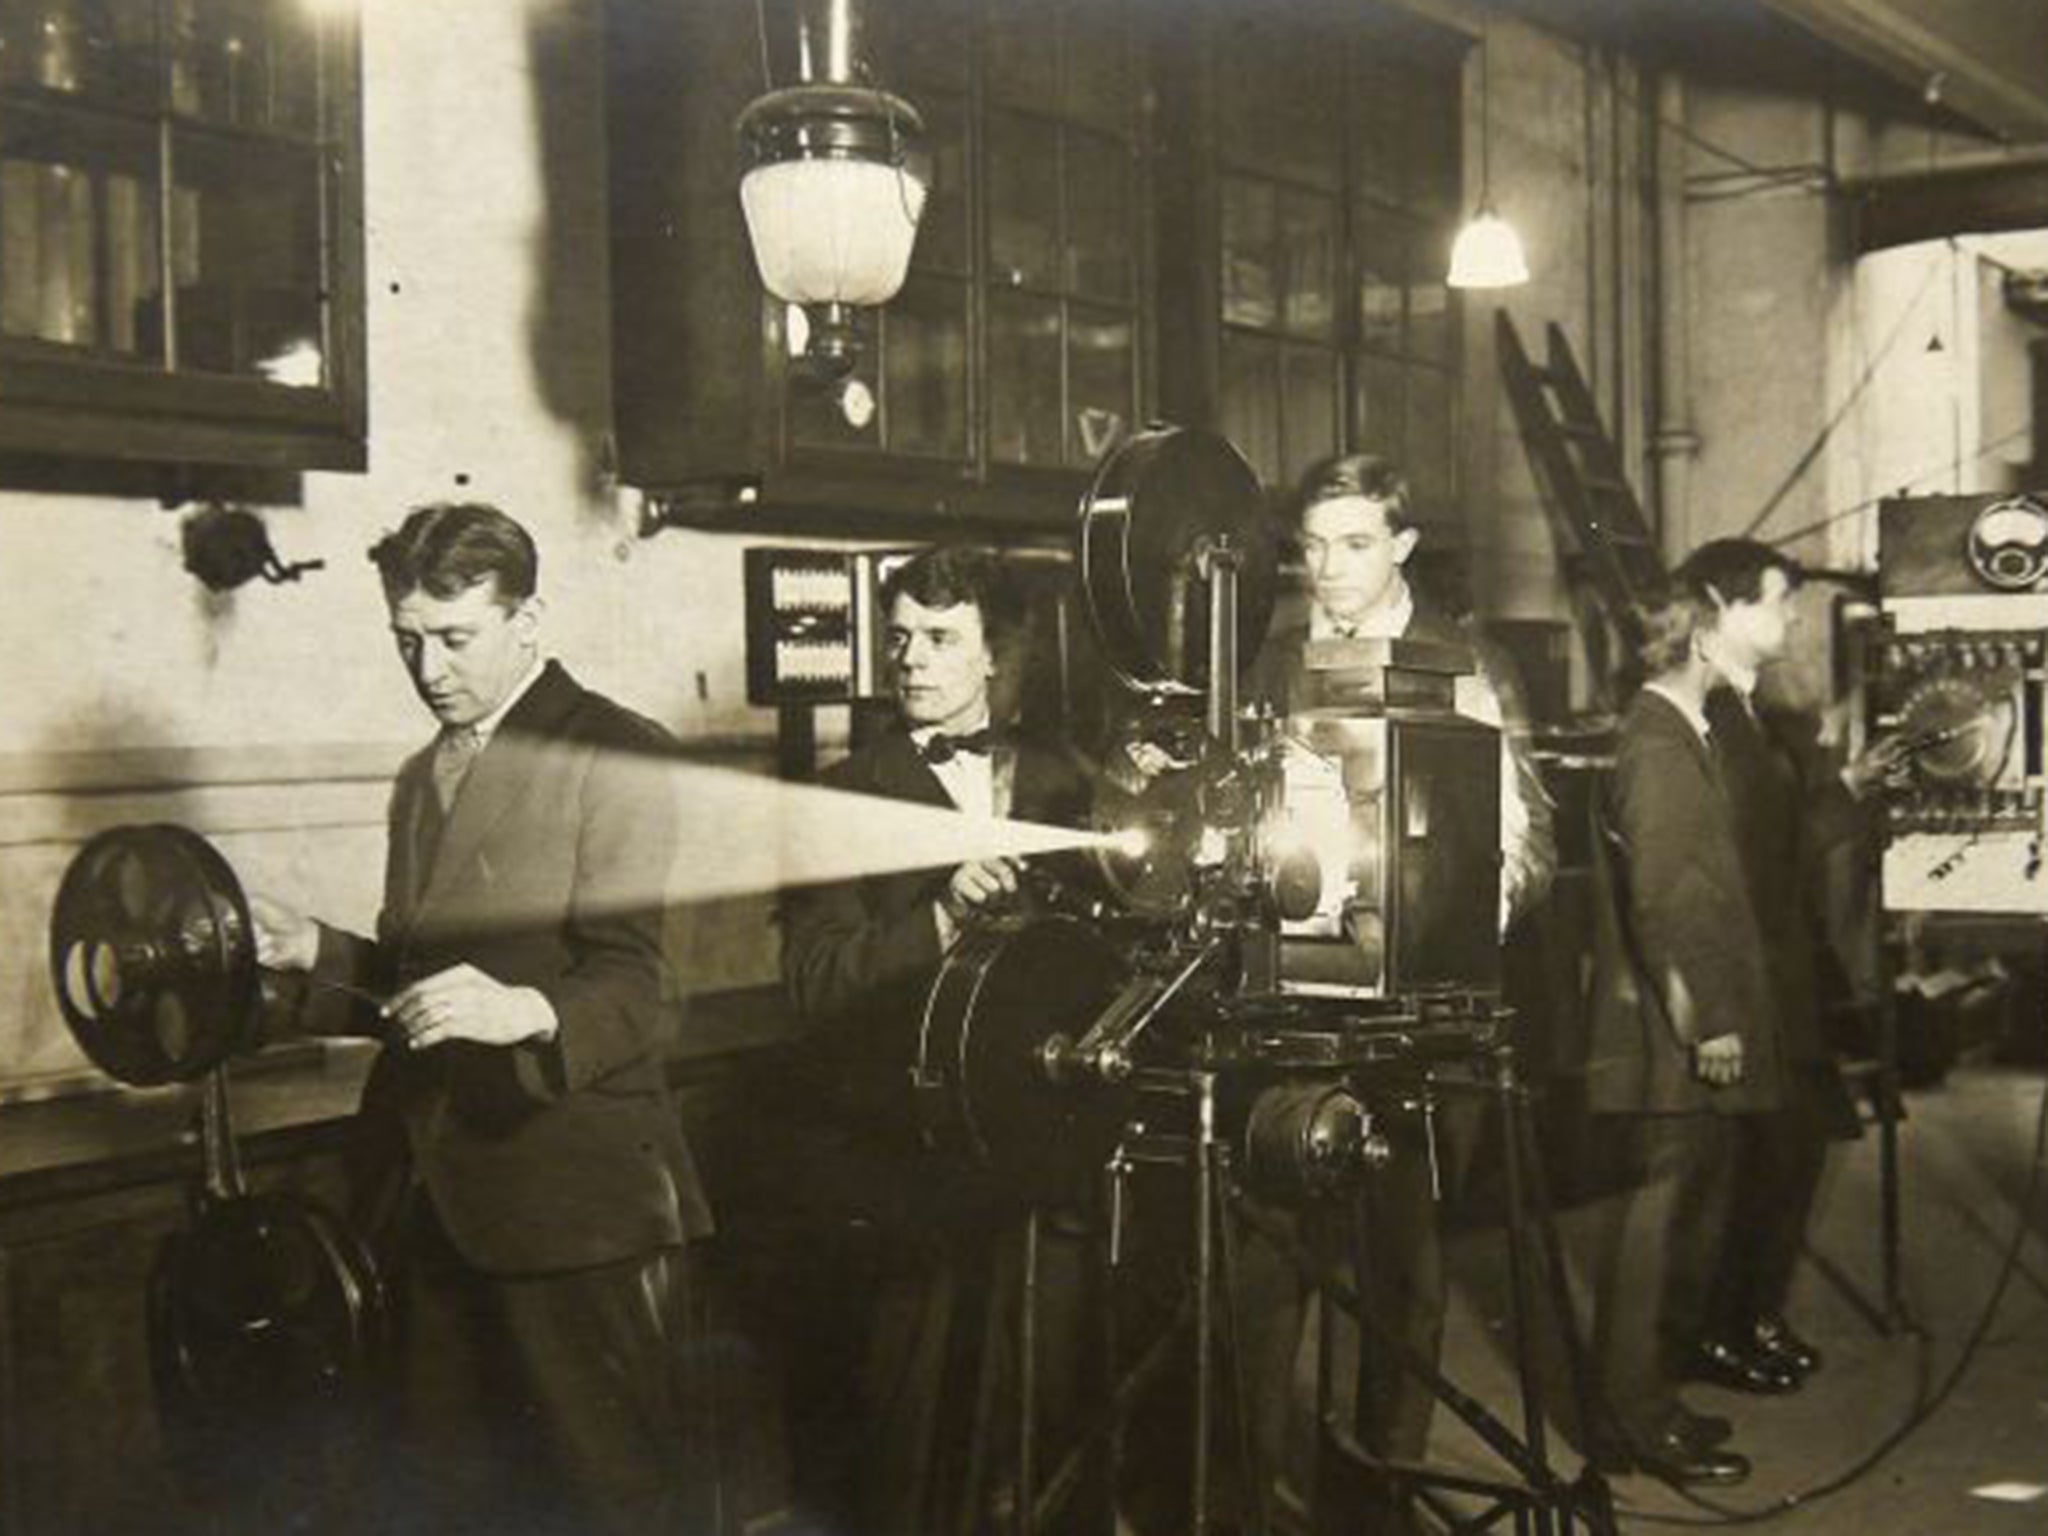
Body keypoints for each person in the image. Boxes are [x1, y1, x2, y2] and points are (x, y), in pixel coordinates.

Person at [247, 502, 711, 1536]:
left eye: (455, 638)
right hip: (428, 1194)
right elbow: (409, 990)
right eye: (407, 641)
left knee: (612, 1501)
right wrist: (310, 953)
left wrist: (528, 1011)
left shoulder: (618, 751)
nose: (429, 669)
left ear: (527, 618)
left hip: (569, 1198)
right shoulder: (423, 778)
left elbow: (640, 990)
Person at [1232, 453, 1557, 1530]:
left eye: (1355, 544)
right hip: (1287, 1022)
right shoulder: (1271, 660)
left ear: (1403, 546)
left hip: (1421, 1029)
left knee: (1398, 1281)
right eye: (1312, 547)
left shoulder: (1464, 659)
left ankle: (1374, 1502)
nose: (1328, 569)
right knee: (1272, 1274)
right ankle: (1264, 1506)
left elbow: (1528, 843)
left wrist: (1440, 941)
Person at [777, 544, 1095, 1536]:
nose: (909, 660)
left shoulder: (1066, 783)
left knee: (1049, 1416)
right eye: (899, 637)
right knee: (910, 1438)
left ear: (994, 654)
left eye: (939, 638)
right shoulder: (844, 792)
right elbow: (814, 985)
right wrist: (940, 918)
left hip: (1043, 1160)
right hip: (909, 1168)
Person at [1677, 539, 1903, 1392]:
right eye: (1778, 602)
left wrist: (1845, 784)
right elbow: (1746, 858)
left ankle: (1751, 1316)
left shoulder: (1755, 709)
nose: (1792, 618)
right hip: (1751, 978)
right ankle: (1716, 1330)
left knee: (1792, 1155)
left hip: (1786, 976)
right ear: (1721, 607)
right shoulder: (1705, 713)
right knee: (1750, 1170)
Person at [1584, 578, 1773, 1487]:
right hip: (1675, 1034)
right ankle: (1630, 1419)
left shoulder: (1677, 733)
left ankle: (1648, 1399)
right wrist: (1712, 1023)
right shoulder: (1659, 744)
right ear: (1700, 643)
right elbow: (1666, 901)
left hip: (1679, 1026)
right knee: (1659, 1228)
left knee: (1682, 1220)